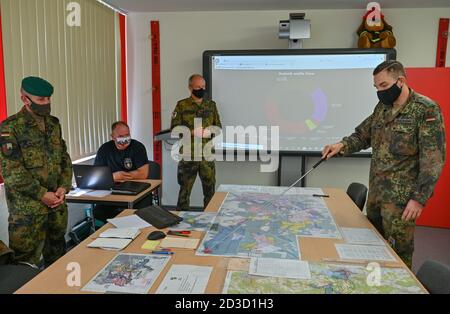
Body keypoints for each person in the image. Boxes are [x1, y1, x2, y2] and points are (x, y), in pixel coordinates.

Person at [322, 60, 446, 268]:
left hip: (401, 203)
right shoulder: (382, 108)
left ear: (401, 81)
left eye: (384, 86)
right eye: (376, 87)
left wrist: (419, 198)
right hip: (377, 196)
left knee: (399, 255)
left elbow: (433, 160)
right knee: (373, 249)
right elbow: (362, 135)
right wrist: (341, 145)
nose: (380, 92)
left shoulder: (425, 110)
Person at [0, 76, 73, 267]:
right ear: (25, 99)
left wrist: (63, 187)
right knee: (24, 267)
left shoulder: (53, 124)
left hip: (56, 207)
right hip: (28, 215)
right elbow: (12, 172)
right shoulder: (10, 128)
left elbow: (64, 158)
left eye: (48, 98)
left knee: (58, 261)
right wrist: (42, 195)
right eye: (41, 99)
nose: (47, 103)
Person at [171, 74, 222, 211]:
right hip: (189, 155)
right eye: (198, 87)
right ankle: (180, 222)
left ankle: (210, 219)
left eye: (203, 87)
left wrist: (209, 132)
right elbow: (175, 129)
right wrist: (191, 132)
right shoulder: (181, 105)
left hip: (207, 156)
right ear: (190, 87)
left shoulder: (211, 105)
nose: (201, 89)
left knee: (210, 192)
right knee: (184, 192)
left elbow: (218, 127)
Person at [93, 121, 150, 222]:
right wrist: (114, 176)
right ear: (113, 136)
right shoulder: (104, 149)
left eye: (127, 135)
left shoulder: (137, 147)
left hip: (136, 190)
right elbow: (97, 175)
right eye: (120, 136)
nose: (124, 139)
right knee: (99, 212)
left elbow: (143, 173)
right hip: (112, 191)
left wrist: (120, 176)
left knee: (140, 211)